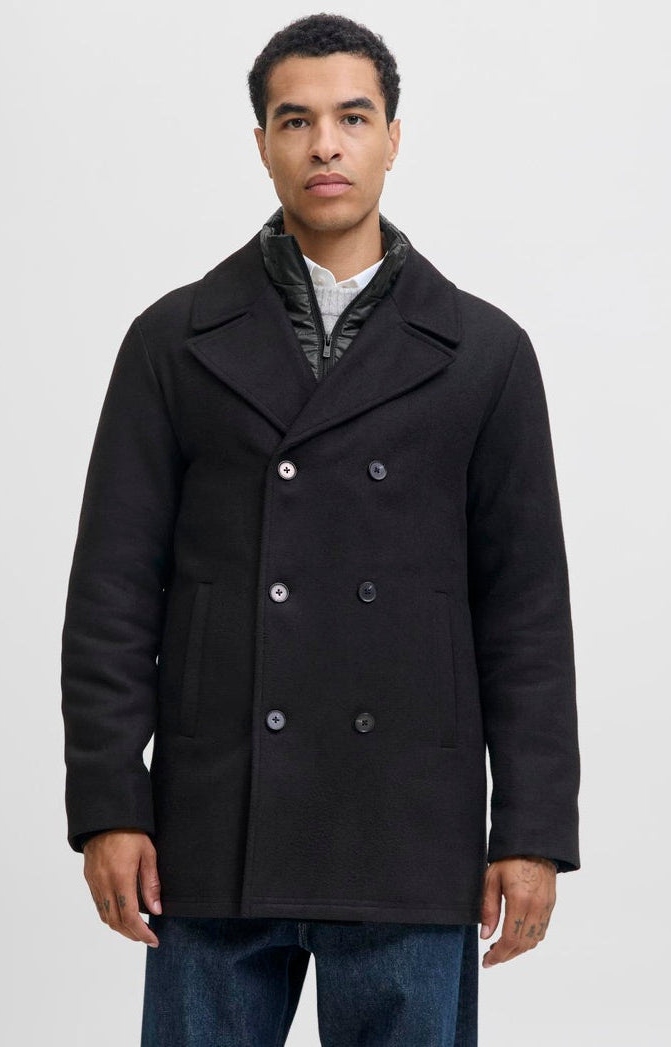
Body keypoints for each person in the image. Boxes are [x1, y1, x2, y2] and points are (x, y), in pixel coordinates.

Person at [61, 12, 581, 1046]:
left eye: (353, 117)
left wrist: (530, 830)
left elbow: (525, 613)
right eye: (295, 121)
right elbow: (112, 593)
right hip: (214, 822)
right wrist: (111, 804)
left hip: (407, 822)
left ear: (393, 137)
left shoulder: (484, 352)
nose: (325, 145)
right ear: (261, 143)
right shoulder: (172, 340)